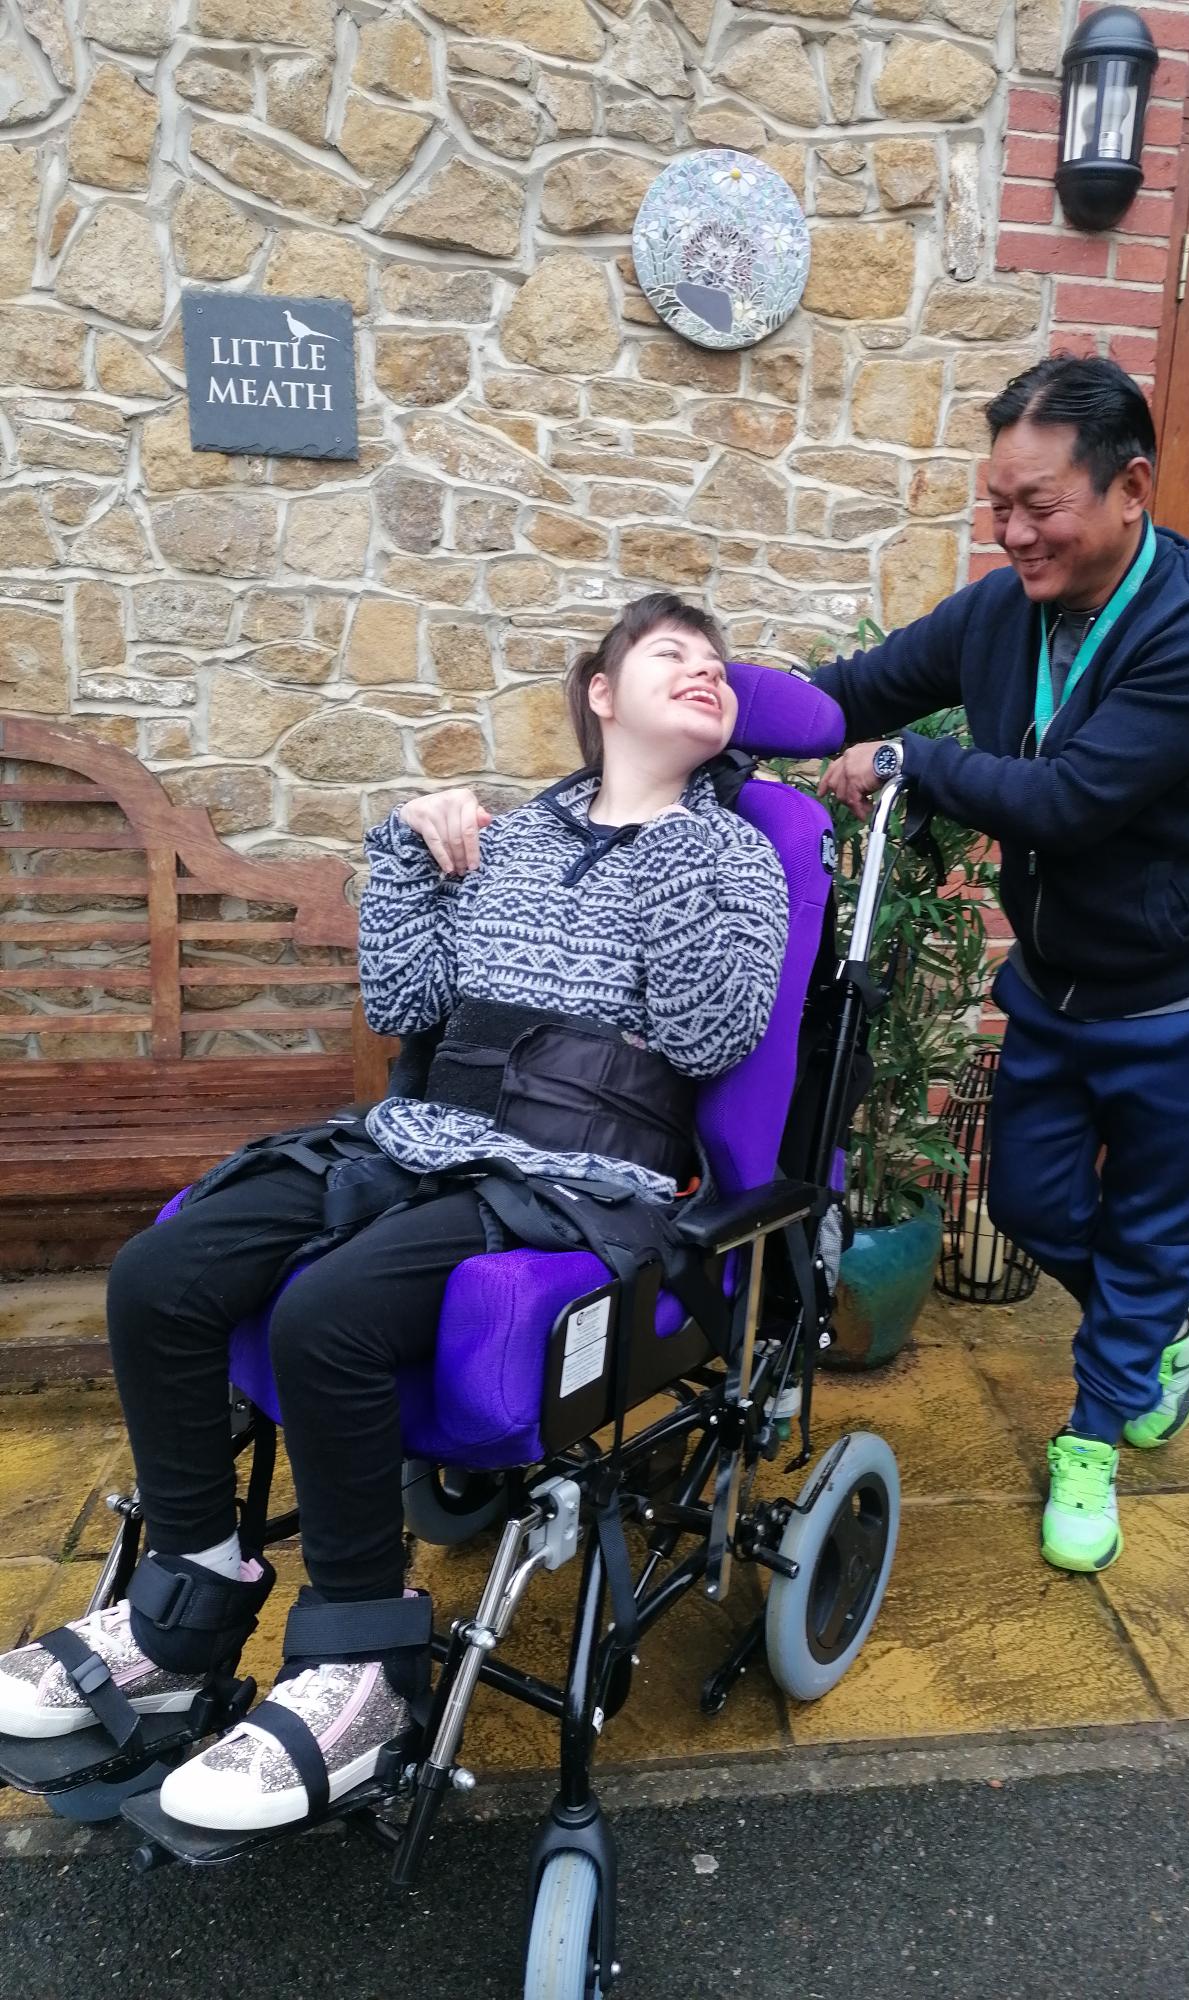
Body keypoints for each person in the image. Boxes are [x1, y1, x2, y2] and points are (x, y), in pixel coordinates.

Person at [0, 593, 788, 1827]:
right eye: (674, 655)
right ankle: (187, 1601)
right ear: (600, 691)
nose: (709, 674)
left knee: (327, 1315)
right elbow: (410, 999)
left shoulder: (737, 852)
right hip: (427, 1135)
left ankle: (362, 1671)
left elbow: (708, 1032)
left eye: (721, 669)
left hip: (576, 1170)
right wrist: (408, 854)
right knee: (156, 1277)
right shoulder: (518, 834)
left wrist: (687, 833)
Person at [814, 355, 1189, 1575]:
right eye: (999, 506)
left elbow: (1069, 801)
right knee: (1027, 1202)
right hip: (1062, 982)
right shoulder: (1002, 611)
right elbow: (857, 691)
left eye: (1039, 505)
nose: (1013, 531)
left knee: (1146, 1233)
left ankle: (1098, 1430)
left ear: (1130, 487)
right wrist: (708, 714)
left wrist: (911, 766)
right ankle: (1169, 1332)